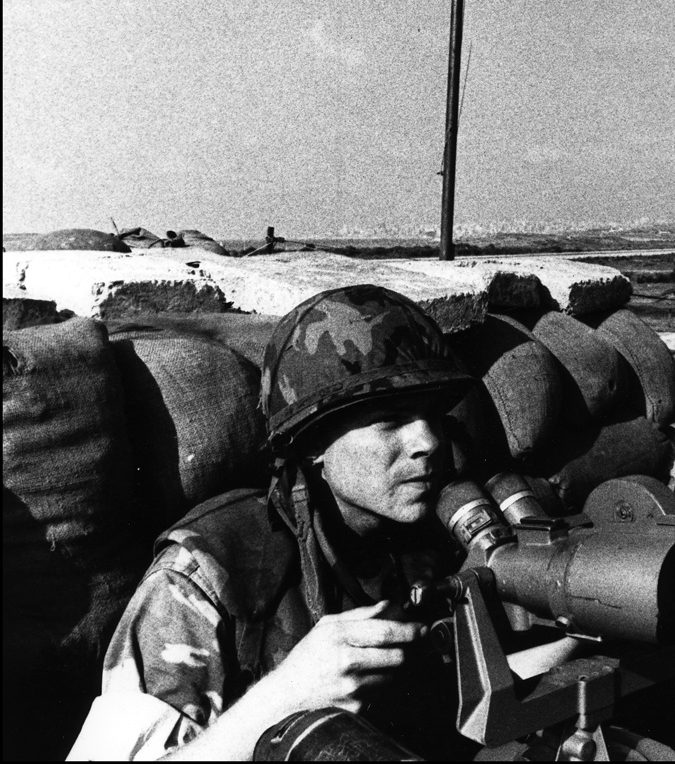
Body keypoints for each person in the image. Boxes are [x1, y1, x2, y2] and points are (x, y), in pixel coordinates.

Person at [67, 285, 476, 762]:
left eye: (433, 415)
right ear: (312, 441)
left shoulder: (425, 537)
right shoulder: (206, 574)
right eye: (388, 420)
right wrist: (287, 695)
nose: (428, 441)